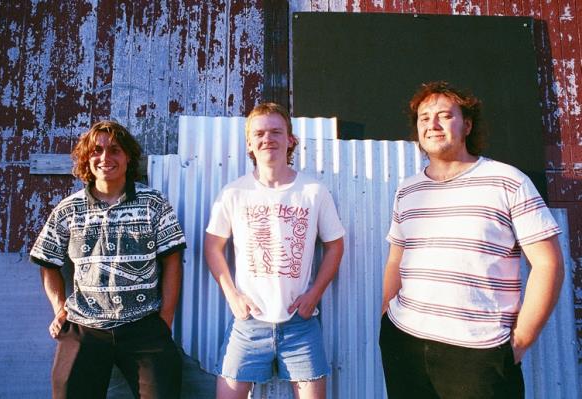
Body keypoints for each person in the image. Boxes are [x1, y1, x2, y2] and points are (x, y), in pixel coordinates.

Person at [379, 81, 564, 399]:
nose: (432, 124)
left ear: (466, 125)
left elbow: (548, 263)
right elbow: (397, 258)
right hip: (405, 342)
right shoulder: (408, 189)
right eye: (424, 118)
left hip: (478, 354)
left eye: (443, 115)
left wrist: (520, 341)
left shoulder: (508, 181)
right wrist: (386, 315)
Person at [30, 121, 186, 398]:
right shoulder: (68, 210)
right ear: (86, 158)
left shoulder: (154, 204)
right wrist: (59, 309)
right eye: (96, 151)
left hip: (144, 326)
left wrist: (165, 320)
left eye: (115, 150)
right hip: (84, 327)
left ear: (128, 157)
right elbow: (47, 262)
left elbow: (172, 261)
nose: (105, 158)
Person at [204, 103, 345, 399]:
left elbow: (335, 246)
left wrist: (314, 295)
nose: (268, 138)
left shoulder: (314, 191)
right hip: (248, 323)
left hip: (300, 324)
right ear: (250, 144)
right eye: (260, 133)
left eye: (276, 132)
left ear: (290, 140)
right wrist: (232, 296)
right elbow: (213, 246)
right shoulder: (234, 192)